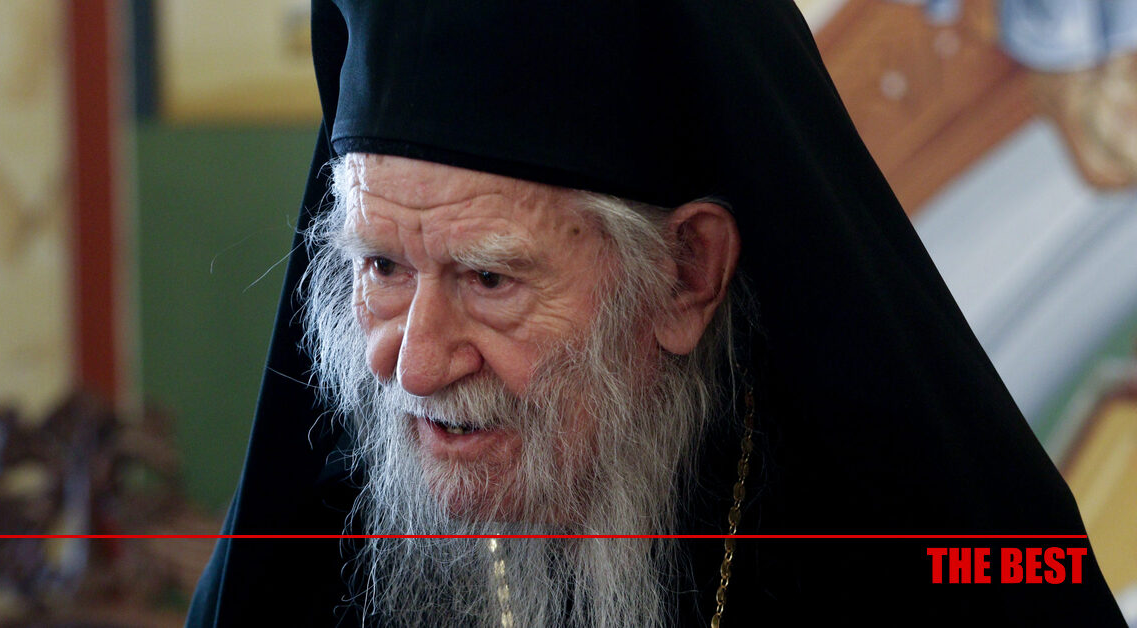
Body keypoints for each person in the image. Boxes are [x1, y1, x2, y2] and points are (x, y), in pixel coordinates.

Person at [188, 1, 1126, 626]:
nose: (417, 365)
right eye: (384, 267)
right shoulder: (305, 569)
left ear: (686, 274)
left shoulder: (911, 570)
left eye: (490, 280)